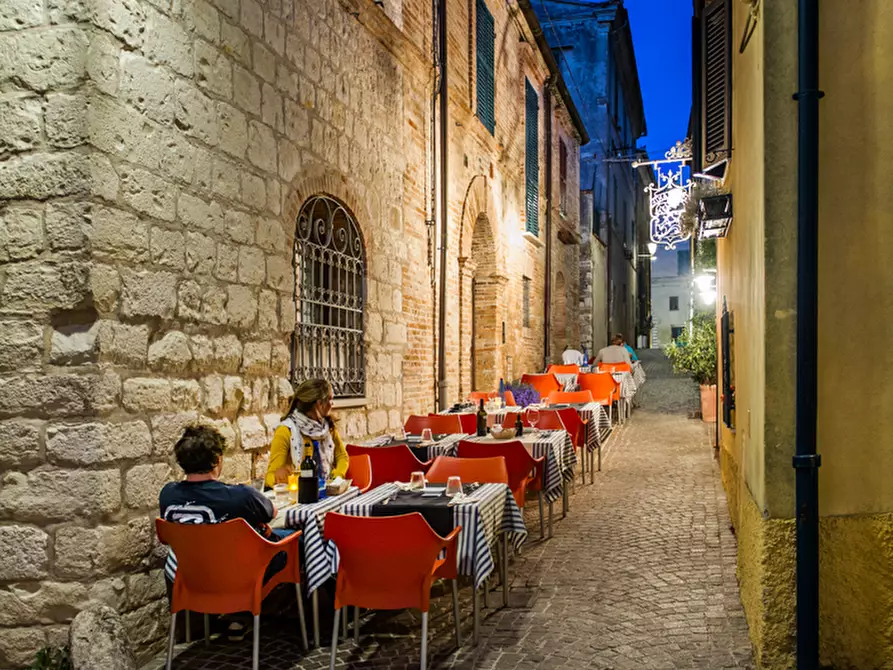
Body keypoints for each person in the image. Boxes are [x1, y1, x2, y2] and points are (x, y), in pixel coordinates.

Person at [159, 424, 285, 640]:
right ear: (218, 460)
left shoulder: (168, 495)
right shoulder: (238, 495)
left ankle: (234, 617)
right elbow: (271, 512)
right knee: (292, 539)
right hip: (242, 576)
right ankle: (277, 618)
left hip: (193, 576)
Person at [265, 378, 349, 488]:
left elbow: (342, 456)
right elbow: (271, 476)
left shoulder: (327, 427)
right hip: (299, 493)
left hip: (326, 490)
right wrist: (280, 478)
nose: (332, 403)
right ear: (319, 404)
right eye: (330, 399)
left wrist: (337, 477)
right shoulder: (286, 431)